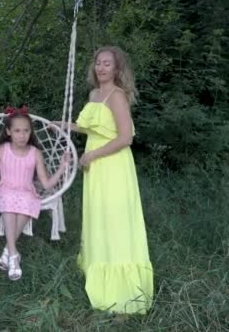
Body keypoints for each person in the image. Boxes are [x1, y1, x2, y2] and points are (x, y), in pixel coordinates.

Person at [54, 46, 153, 314]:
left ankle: (123, 295)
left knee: (115, 222)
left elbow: (124, 138)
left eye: (107, 63)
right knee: (99, 219)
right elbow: (93, 128)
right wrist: (66, 126)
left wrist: (92, 155)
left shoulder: (117, 96)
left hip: (112, 165)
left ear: (117, 69)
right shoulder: (94, 93)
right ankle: (98, 271)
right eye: (98, 62)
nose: (101, 67)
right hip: (96, 166)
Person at [0, 106, 69, 281]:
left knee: (27, 201)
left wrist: (61, 168)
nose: (22, 135)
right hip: (5, 190)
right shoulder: (2, 149)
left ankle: (9, 250)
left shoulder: (35, 153)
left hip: (26, 191)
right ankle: (14, 255)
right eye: (17, 131)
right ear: (8, 132)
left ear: (30, 132)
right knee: (9, 199)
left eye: (26, 131)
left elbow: (45, 184)